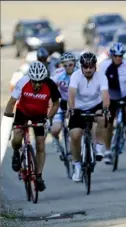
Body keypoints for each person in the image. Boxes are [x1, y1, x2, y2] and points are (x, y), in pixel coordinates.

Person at [4, 61, 61, 191]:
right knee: (17, 138)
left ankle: (39, 176)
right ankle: (16, 153)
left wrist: (48, 118)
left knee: (41, 144)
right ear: (30, 78)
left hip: (40, 115)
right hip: (22, 112)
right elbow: (12, 102)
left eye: (40, 81)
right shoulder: (23, 81)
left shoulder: (50, 84)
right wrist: (8, 119)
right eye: (34, 81)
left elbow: (56, 104)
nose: (37, 84)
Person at [68, 52, 110, 182]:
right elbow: (71, 94)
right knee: (75, 135)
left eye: (91, 67)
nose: (88, 69)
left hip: (95, 105)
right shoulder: (75, 76)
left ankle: (99, 145)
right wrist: (71, 109)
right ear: (81, 67)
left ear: (95, 66)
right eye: (85, 67)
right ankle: (77, 165)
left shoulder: (101, 77)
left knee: (102, 118)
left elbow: (105, 95)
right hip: (78, 108)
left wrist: (105, 109)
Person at [98, 42, 126, 164]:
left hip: (125, 93)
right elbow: (101, 85)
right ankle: (107, 151)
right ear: (111, 56)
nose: (118, 58)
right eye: (115, 56)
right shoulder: (105, 66)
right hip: (111, 96)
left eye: (120, 56)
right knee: (108, 124)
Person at [50, 52, 78, 155]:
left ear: (74, 64)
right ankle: (56, 140)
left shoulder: (80, 73)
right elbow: (50, 89)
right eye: (65, 65)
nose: (67, 68)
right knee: (55, 129)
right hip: (62, 102)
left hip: (76, 102)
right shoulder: (58, 74)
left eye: (70, 65)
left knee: (76, 129)